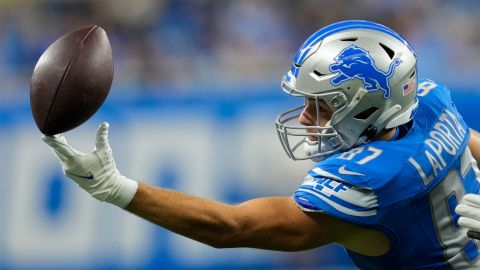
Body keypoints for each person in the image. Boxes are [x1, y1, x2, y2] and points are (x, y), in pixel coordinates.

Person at [42, 20, 480, 269]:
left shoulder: (372, 182)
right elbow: (470, 145)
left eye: (322, 105)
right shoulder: (430, 103)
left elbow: (230, 227)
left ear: (368, 106)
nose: (307, 118)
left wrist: (116, 188)